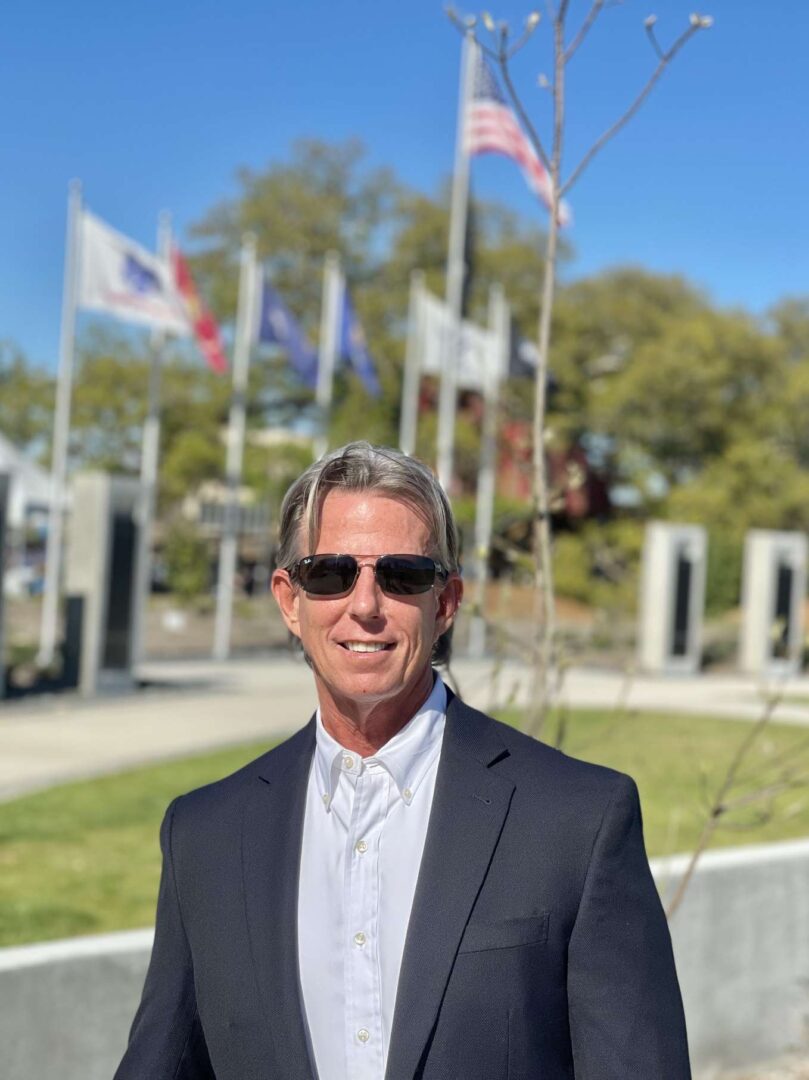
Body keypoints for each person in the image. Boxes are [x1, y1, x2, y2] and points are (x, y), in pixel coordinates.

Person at [115, 441, 691, 1080]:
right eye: (331, 573)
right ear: (289, 599)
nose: (365, 604)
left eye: (402, 574)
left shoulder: (578, 821)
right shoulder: (205, 836)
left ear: (444, 603)